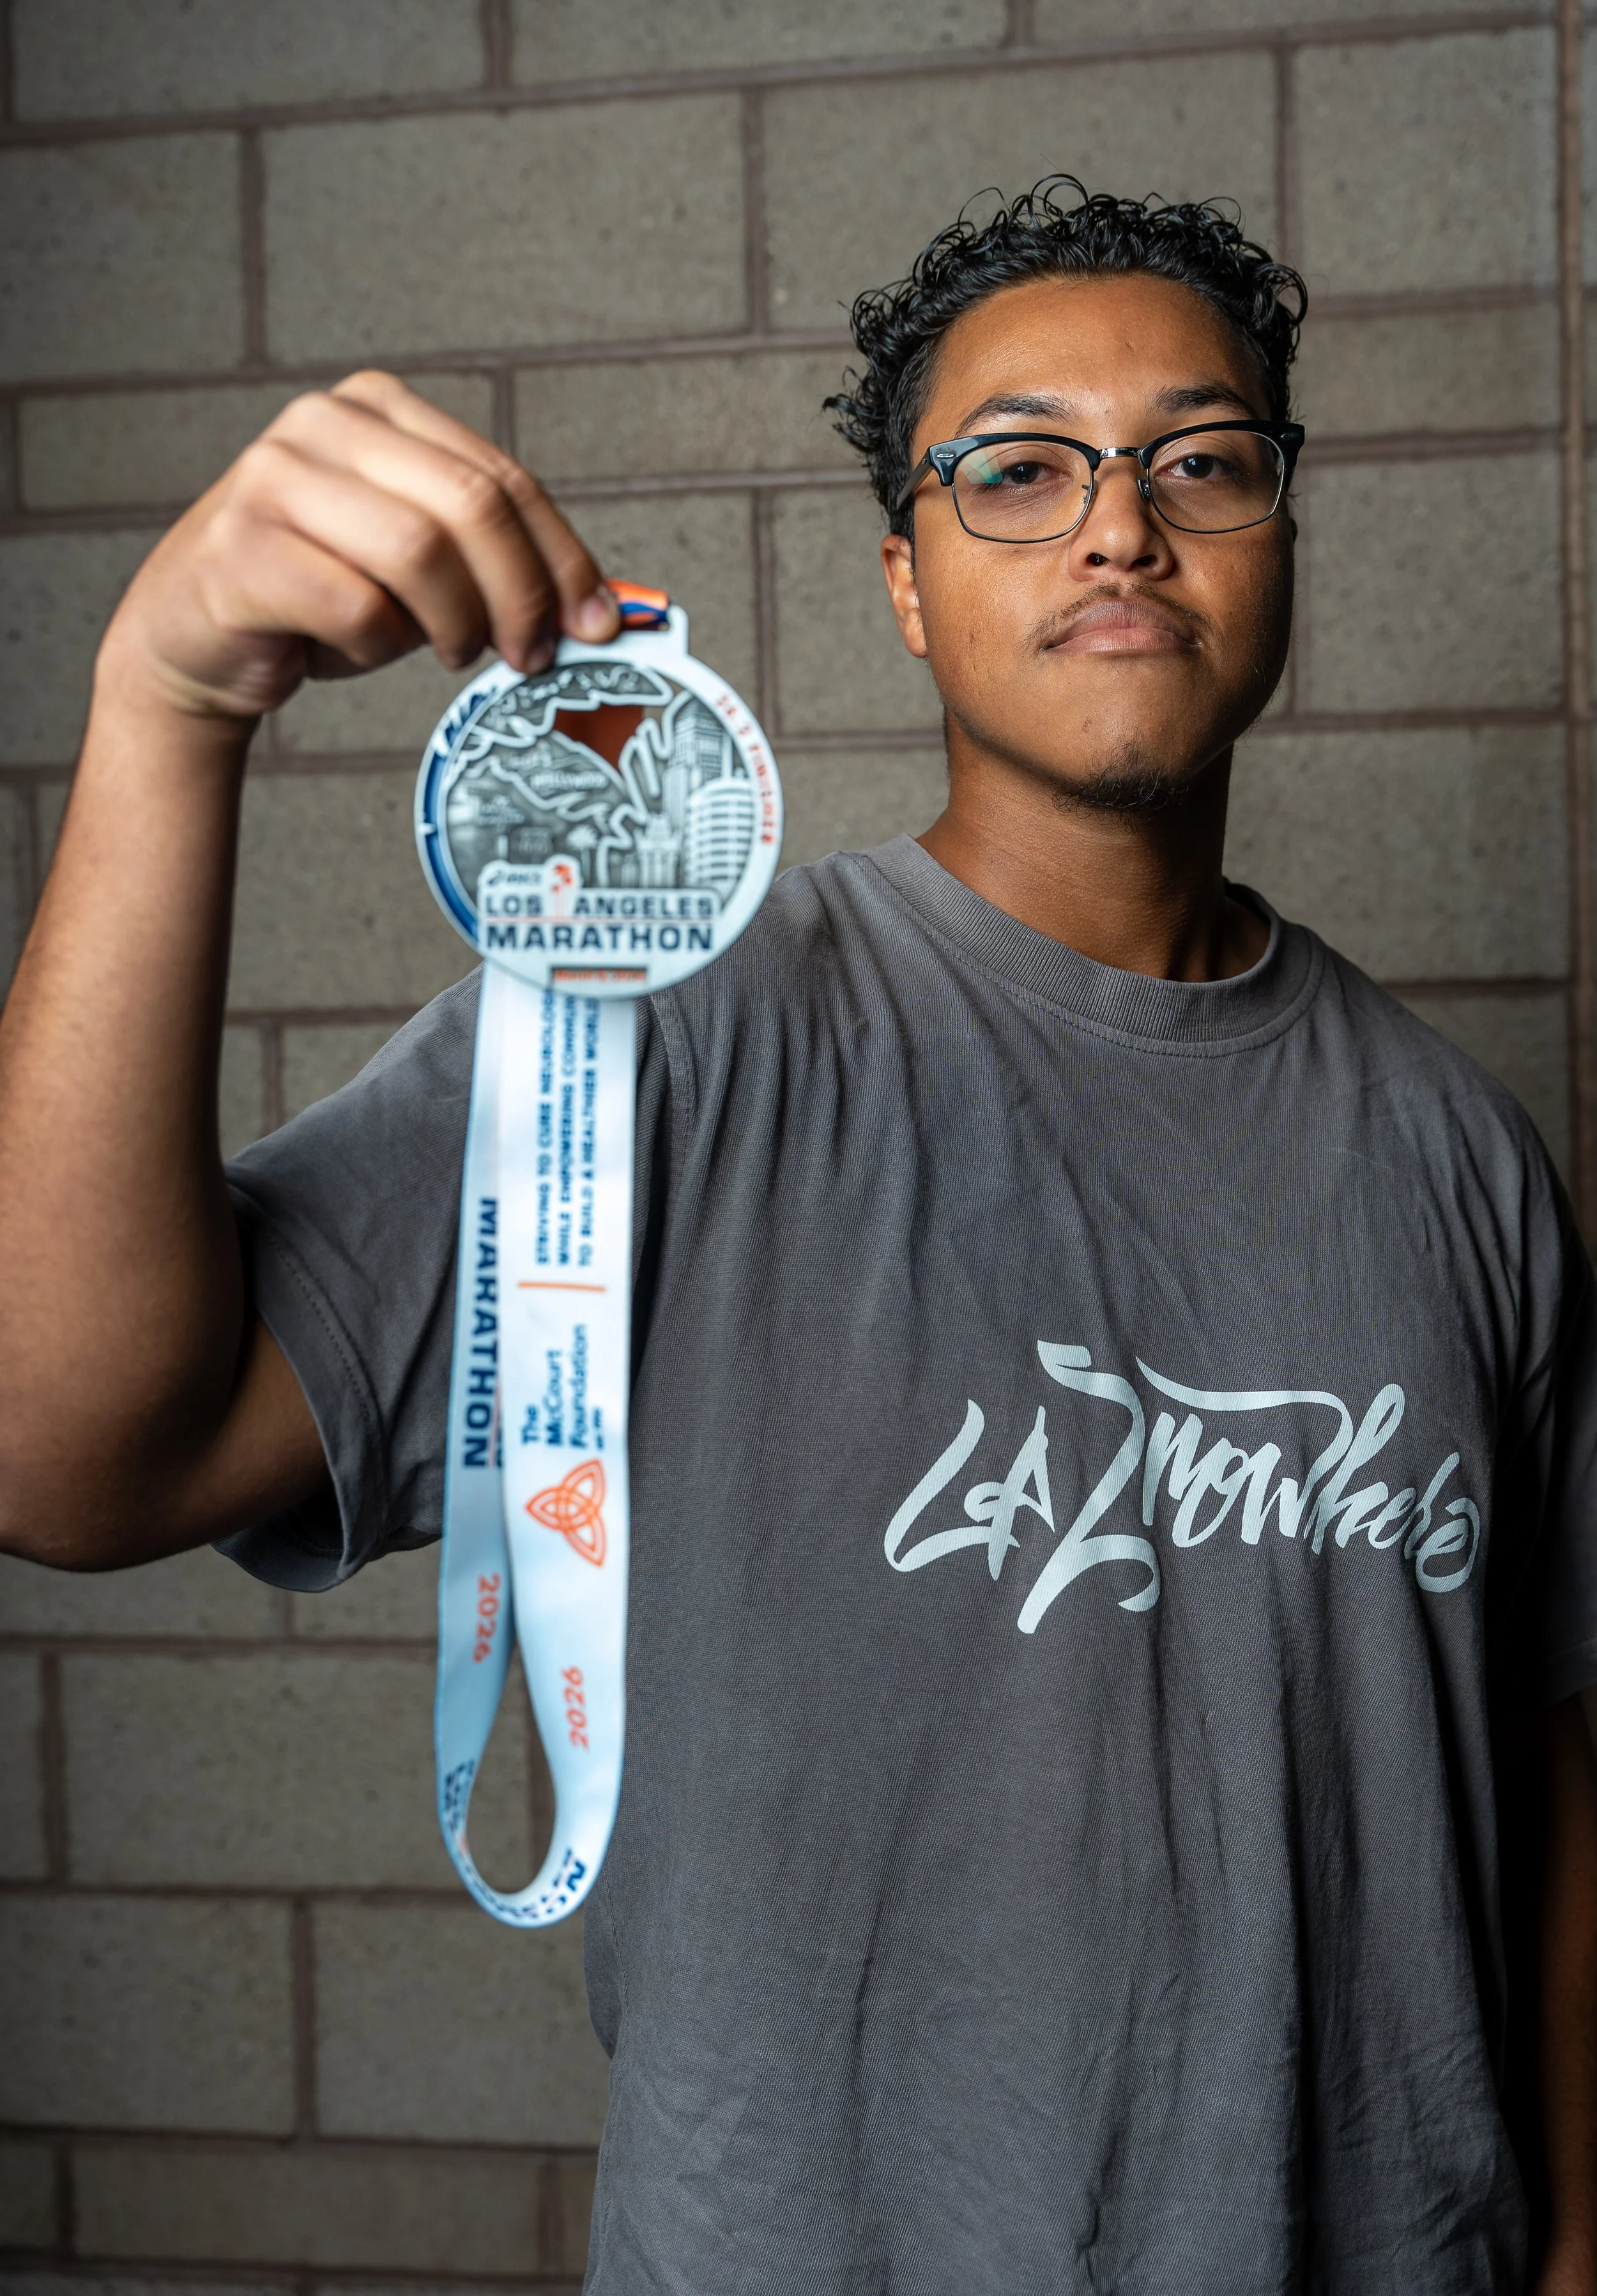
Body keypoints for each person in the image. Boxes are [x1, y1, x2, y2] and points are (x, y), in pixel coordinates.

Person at [1, 176, 1593, 2295]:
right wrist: (166, 709)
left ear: (1278, 539)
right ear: (908, 584)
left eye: (1201, 460)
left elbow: (1542, 1758)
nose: (1121, 525)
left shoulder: (1461, 1156)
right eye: (1018, 470)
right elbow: (67, 1448)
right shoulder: (656, 1036)